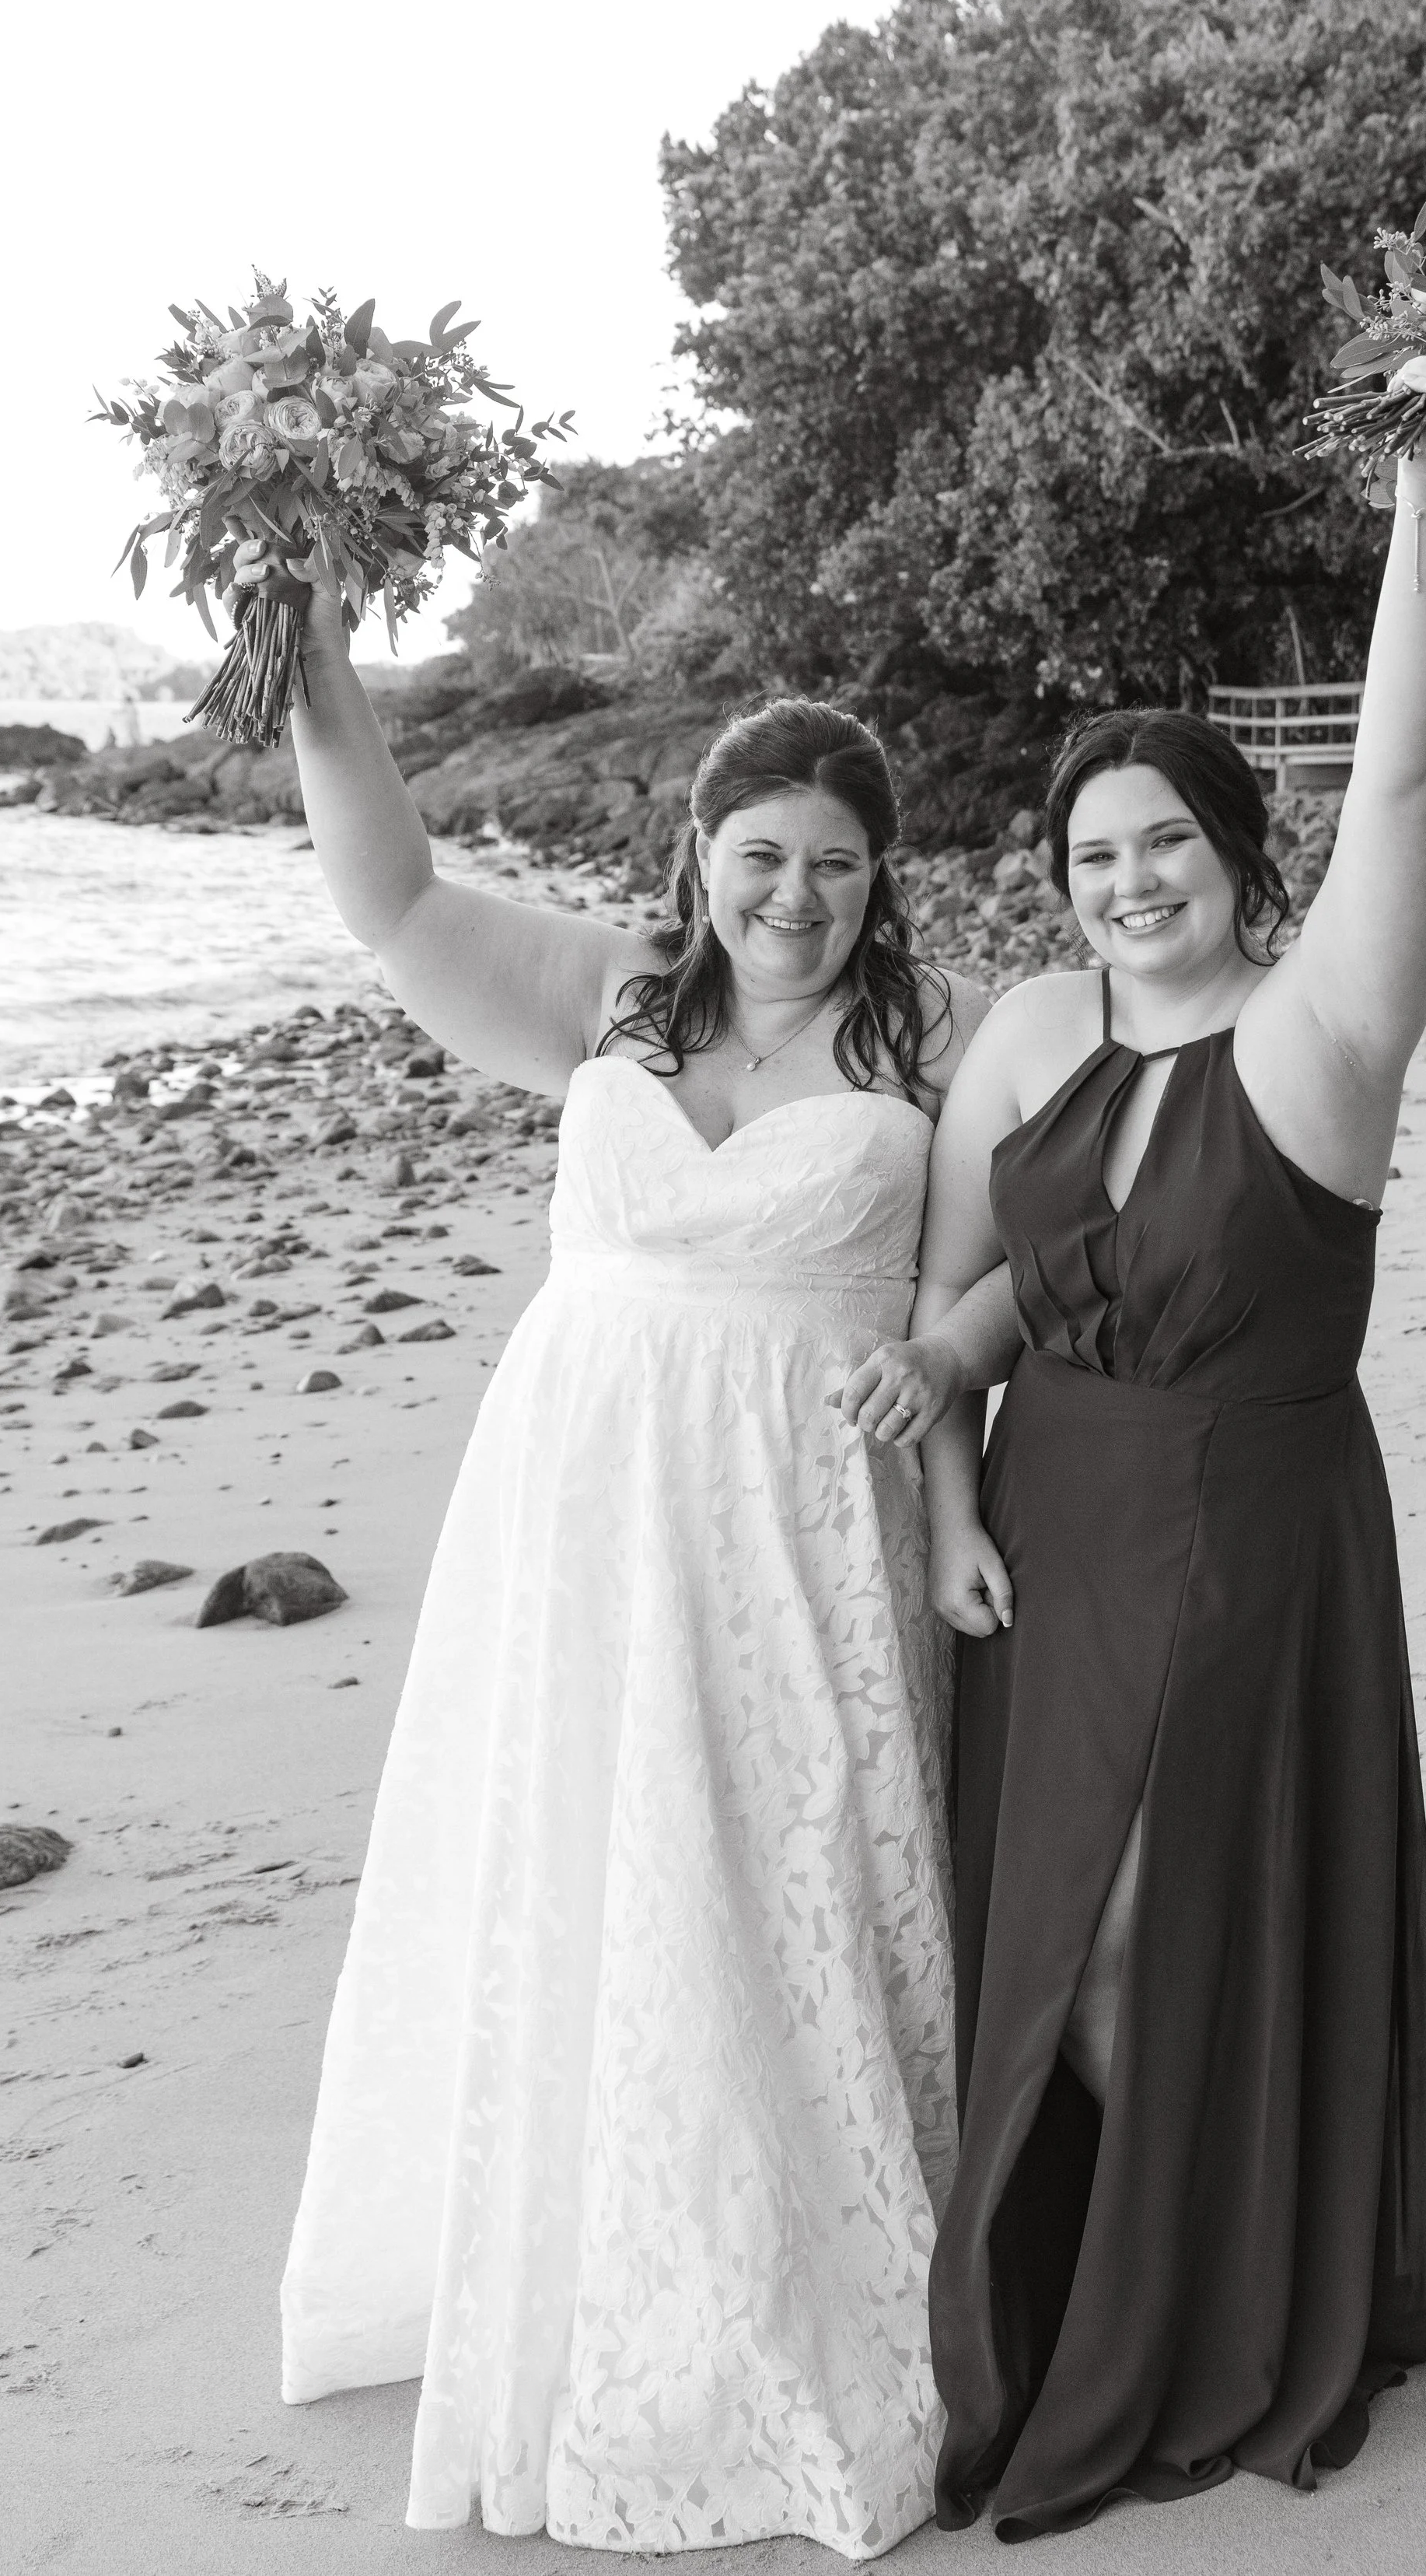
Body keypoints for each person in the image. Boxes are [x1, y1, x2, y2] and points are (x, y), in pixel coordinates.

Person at [841, 345, 1426, 2536]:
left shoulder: (1322, 1032)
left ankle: (1200, 2302)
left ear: (1238, 856)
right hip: (1042, 1526)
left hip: (1244, 1527)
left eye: (1166, 847)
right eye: (1088, 851)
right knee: (1053, 1942)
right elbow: (969, 1303)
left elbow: (1398, 790)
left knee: (1142, 1934)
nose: (1126, 882)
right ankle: (1146, 2250)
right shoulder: (1026, 1028)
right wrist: (938, 1476)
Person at [277, 587, 989, 2556]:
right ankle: (593, 2269)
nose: (794, 896)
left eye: (837, 866)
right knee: (602, 1872)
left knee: (777, 1884)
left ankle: (797, 2300)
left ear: (879, 885)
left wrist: (951, 1494)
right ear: (696, 854)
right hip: (580, 1518)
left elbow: (977, 1294)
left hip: (791, 1533)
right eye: (760, 856)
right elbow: (396, 902)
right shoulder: (608, 1003)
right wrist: (320, 660)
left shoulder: (927, 1065)